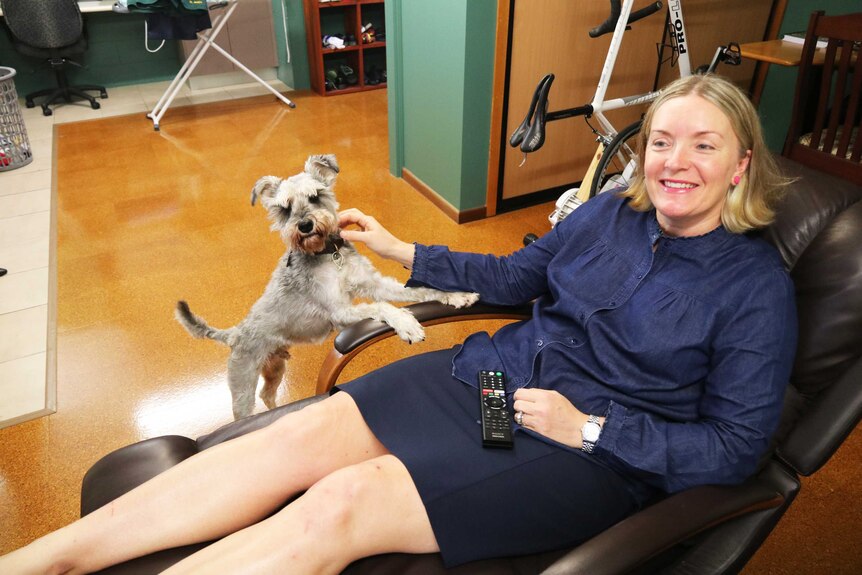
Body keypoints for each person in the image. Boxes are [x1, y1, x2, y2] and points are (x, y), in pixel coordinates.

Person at [0, 74, 796, 574]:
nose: (673, 161)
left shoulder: (755, 288)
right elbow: (516, 276)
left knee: (342, 504)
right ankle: (45, 559)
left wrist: (589, 428)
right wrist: (401, 248)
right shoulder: (609, 216)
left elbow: (732, 448)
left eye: (702, 144)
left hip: (585, 452)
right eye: (660, 141)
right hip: (493, 381)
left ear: (740, 165)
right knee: (293, 438)